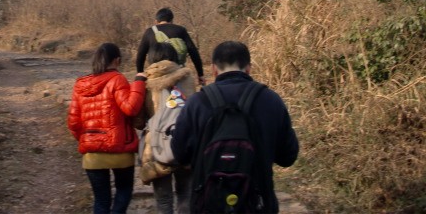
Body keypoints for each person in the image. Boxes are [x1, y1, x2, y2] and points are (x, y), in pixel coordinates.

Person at [170, 40, 299, 213]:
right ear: (249, 68)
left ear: (214, 70)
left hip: (207, 204)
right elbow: (288, 157)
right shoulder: (271, 100)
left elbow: (180, 154)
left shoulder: (197, 103)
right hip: (258, 203)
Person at [67, 42, 147, 214]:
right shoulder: (117, 79)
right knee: (124, 190)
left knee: (101, 200)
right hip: (120, 150)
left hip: (92, 155)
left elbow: (73, 123)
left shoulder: (80, 85)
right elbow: (130, 108)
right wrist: (139, 83)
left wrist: (87, 140)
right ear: (117, 60)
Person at [135, 42, 196, 214]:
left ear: (151, 58)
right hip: (184, 143)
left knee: (164, 200)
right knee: (185, 194)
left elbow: (138, 122)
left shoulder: (146, 82)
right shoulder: (187, 78)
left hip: (156, 147)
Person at [136, 7, 206, 86]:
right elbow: (193, 52)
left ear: (156, 21)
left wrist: (140, 72)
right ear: (172, 20)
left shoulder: (149, 32)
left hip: (156, 74)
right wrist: (200, 74)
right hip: (177, 72)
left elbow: (140, 54)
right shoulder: (181, 30)